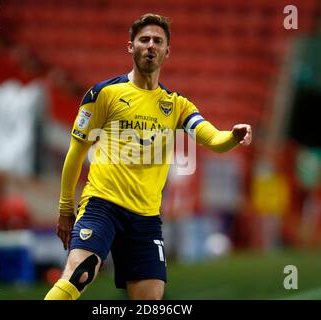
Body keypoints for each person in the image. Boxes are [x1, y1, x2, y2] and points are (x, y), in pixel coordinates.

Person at [44, 13, 252, 300]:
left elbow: (213, 139)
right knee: (81, 271)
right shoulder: (104, 94)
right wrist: (66, 208)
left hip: (146, 219)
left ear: (167, 51)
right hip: (102, 206)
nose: (150, 45)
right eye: (144, 40)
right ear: (131, 47)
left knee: (150, 300)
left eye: (158, 41)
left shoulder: (176, 105)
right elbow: (75, 152)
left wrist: (233, 136)